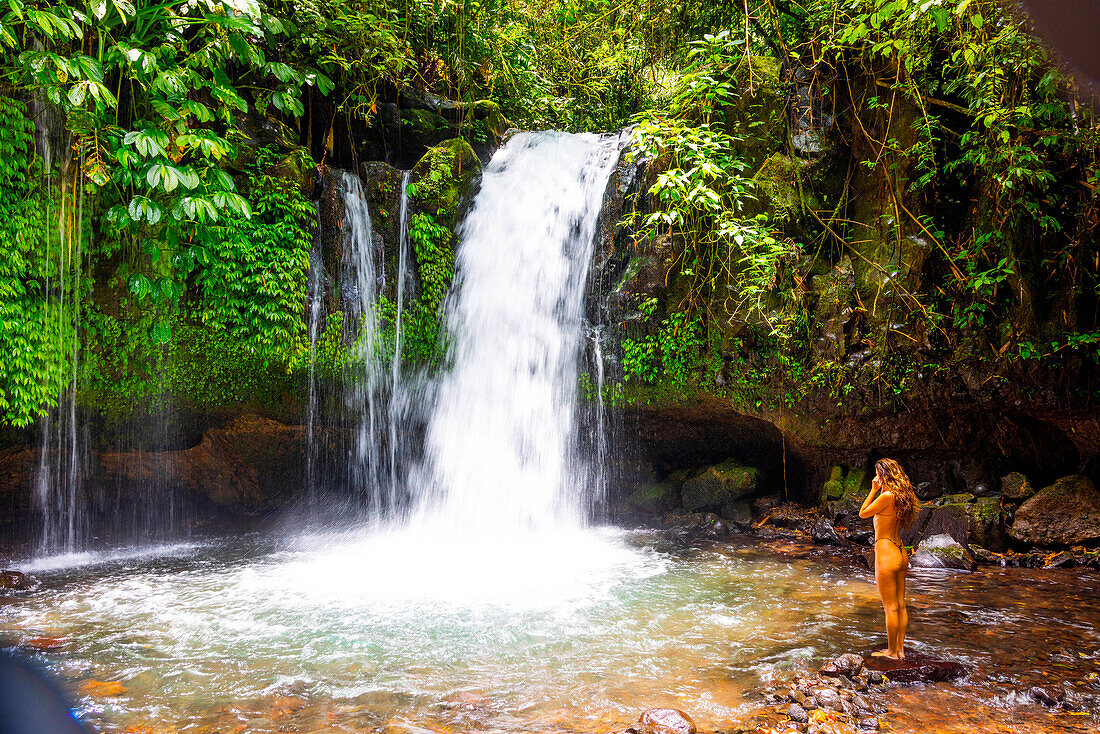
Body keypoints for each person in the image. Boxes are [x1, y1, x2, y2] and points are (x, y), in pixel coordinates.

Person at [859, 458, 920, 660]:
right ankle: (900, 650)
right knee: (900, 605)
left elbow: (863, 513)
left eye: (878, 474)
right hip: (900, 551)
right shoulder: (902, 495)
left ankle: (892, 652)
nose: (875, 478)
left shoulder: (886, 496)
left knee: (890, 607)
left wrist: (873, 489)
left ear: (883, 475)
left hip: (885, 551)